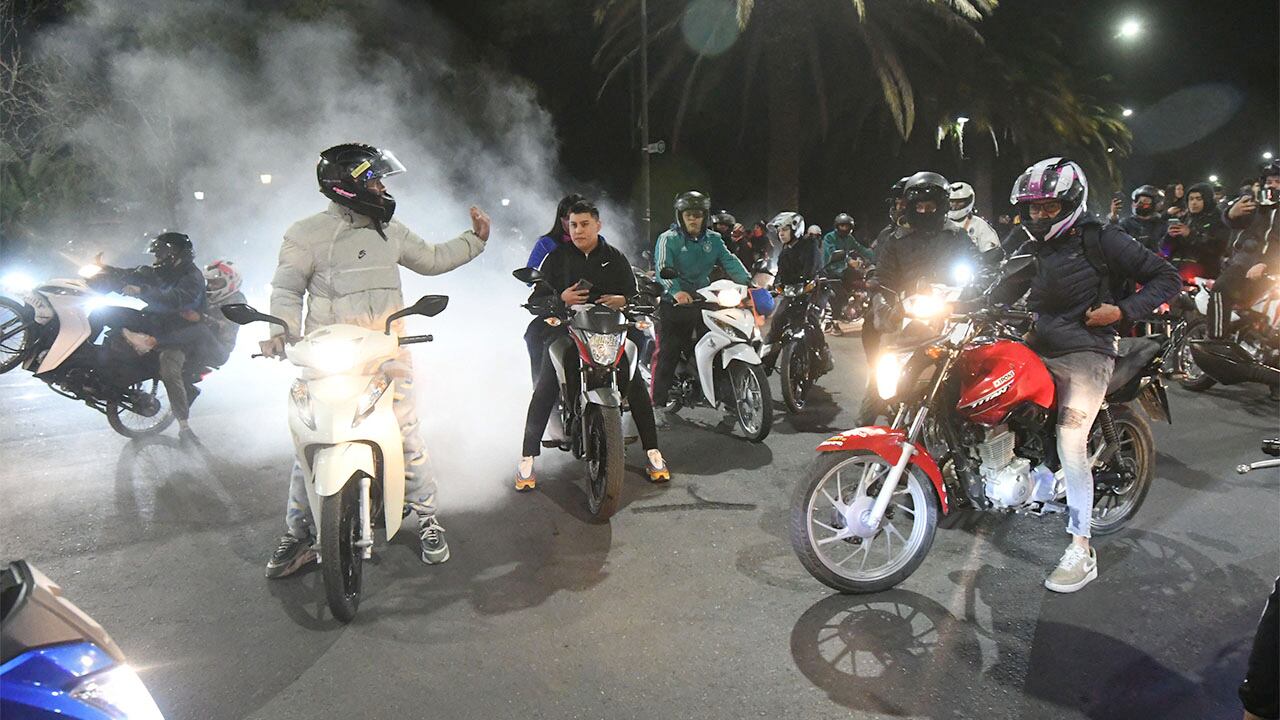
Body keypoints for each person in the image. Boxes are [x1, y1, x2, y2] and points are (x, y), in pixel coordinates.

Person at [262, 142, 489, 578]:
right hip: (328, 361)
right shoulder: (304, 234)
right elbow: (286, 289)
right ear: (348, 185)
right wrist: (279, 331)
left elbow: (434, 258)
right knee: (309, 446)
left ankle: (426, 520)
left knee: (406, 435)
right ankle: (298, 534)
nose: (382, 188)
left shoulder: (392, 231)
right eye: (374, 180)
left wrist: (474, 241)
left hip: (387, 358)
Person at [1002, 157, 1180, 593]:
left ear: (1071, 203)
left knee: (1070, 438)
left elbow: (1166, 277)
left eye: (1049, 207)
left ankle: (1081, 548)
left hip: (1089, 349)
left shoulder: (1103, 238)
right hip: (1038, 341)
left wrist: (1121, 311)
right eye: (1034, 208)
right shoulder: (1034, 243)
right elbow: (1002, 281)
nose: (1040, 216)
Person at [515, 199, 669, 489]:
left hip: (610, 331)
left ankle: (653, 452)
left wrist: (624, 300)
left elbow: (635, 294)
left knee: (633, 380)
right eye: (573, 225)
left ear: (598, 225)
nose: (578, 230)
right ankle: (527, 458)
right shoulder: (557, 258)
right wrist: (561, 299)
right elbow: (536, 297)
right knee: (546, 382)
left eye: (585, 224)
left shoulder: (615, 257)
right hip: (567, 330)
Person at [857, 171, 978, 425]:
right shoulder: (896, 240)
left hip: (952, 316)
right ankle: (865, 431)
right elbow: (883, 278)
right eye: (919, 206)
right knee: (884, 375)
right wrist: (886, 306)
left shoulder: (957, 236)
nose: (924, 211)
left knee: (964, 375)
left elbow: (976, 270)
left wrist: (974, 289)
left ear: (941, 207)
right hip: (907, 316)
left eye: (930, 206)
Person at [95, 232, 210, 441]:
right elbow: (138, 274)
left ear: (174, 255)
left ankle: (184, 426)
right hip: (153, 322)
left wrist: (142, 290)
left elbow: (178, 299)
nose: (156, 259)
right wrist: (108, 271)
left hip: (177, 334)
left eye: (160, 254)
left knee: (168, 369)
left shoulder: (192, 278)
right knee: (103, 314)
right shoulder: (162, 271)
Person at [650, 190, 751, 423]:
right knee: (668, 352)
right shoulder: (669, 239)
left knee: (722, 343)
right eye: (689, 215)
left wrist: (750, 282)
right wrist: (676, 291)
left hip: (705, 300)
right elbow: (663, 267)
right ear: (680, 217)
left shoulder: (714, 240)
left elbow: (730, 261)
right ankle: (656, 404)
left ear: (705, 217)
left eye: (698, 215)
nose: (694, 220)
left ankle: (728, 400)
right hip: (675, 303)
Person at [1209, 162, 1280, 341]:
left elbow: (1276, 240)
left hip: (1271, 267)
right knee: (1220, 288)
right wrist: (1231, 213)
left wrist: (1265, 263)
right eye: (1269, 181)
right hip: (1246, 264)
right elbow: (1233, 221)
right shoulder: (1259, 206)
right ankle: (1217, 343)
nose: (1272, 185)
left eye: (1277, 181)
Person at [524, 193, 584, 381]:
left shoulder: (600, 245)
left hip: (591, 309)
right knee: (534, 335)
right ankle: (541, 388)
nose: (574, 225)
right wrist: (550, 292)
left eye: (581, 221)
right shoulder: (548, 245)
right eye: (568, 219)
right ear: (561, 220)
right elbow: (530, 274)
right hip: (556, 308)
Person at [1166, 182, 1229, 277]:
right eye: (1191, 199)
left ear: (1207, 199)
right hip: (1178, 274)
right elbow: (1165, 250)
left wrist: (1190, 235)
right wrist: (1169, 236)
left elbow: (1217, 247)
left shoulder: (1218, 218)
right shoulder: (1184, 219)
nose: (1193, 202)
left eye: (1198, 199)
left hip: (1205, 274)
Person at [821, 213, 874, 321]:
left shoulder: (849, 238)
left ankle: (857, 303)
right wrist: (849, 260)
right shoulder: (829, 237)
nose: (844, 228)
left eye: (847, 226)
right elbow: (832, 252)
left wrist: (876, 256)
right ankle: (831, 322)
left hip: (842, 270)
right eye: (842, 226)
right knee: (839, 296)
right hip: (829, 271)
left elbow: (860, 248)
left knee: (861, 280)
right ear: (837, 226)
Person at [199, 259, 246, 368]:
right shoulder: (206, 298)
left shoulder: (237, 304)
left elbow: (226, 327)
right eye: (209, 282)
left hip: (219, 347)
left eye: (216, 283)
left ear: (231, 283)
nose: (211, 286)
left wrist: (200, 318)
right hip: (203, 342)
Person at [947, 181, 1003, 263]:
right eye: (951, 201)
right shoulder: (940, 224)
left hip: (971, 271)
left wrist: (982, 260)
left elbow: (992, 253)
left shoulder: (979, 225)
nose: (954, 205)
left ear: (969, 201)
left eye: (959, 201)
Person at [1109, 184, 1168, 253]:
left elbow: (1167, 249)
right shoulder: (1126, 223)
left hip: (1155, 262)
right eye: (1138, 200)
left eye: (1145, 201)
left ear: (1154, 204)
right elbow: (1114, 238)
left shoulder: (1161, 225)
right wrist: (1113, 216)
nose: (1139, 203)